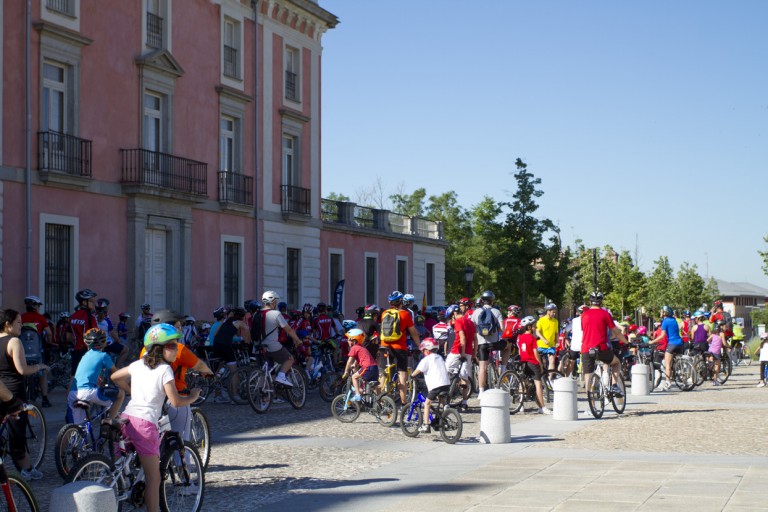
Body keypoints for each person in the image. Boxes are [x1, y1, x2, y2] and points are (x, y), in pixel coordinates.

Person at [111, 323, 201, 512]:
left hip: (127, 418)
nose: (176, 349)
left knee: (128, 464)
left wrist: (132, 392)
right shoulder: (164, 370)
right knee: (155, 478)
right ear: (158, 349)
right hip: (145, 424)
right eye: (171, 346)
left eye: (176, 344)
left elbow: (115, 377)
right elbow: (175, 401)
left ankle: (129, 489)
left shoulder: (137, 364)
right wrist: (193, 396)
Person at [141, 310, 213, 438]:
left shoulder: (145, 350)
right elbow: (199, 365)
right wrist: (208, 372)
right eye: (178, 326)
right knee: (181, 442)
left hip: (150, 401)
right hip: (175, 398)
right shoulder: (178, 348)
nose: (181, 330)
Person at [0, 308, 49, 480]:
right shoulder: (14, 341)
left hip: (0, 389)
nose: (22, 325)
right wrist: (39, 367)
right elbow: (22, 369)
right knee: (17, 433)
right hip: (13, 391)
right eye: (18, 322)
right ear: (7, 324)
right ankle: (27, 469)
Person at [580, 292, 626, 412]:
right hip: (601, 348)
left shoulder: (584, 315)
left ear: (590, 302)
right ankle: (615, 385)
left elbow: (583, 329)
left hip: (586, 349)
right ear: (601, 302)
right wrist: (625, 341)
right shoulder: (605, 314)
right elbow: (616, 331)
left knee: (588, 376)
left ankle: (592, 406)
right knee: (616, 363)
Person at [67, 328, 125, 425]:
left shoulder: (84, 356)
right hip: (89, 392)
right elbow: (116, 373)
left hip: (73, 393)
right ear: (104, 342)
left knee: (79, 426)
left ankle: (76, 436)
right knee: (121, 394)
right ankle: (109, 420)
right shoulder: (104, 356)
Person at [379, 291, 420, 404]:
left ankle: (380, 399)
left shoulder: (384, 313)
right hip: (399, 347)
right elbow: (413, 332)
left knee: (383, 372)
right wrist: (419, 345)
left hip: (384, 346)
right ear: (401, 302)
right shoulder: (405, 314)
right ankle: (403, 402)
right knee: (402, 373)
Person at [262, 291, 304, 387]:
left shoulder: (257, 313)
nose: (276, 303)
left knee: (266, 371)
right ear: (273, 302)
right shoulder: (276, 314)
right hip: (272, 345)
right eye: (275, 301)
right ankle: (281, 376)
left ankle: (267, 396)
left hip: (258, 346)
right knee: (290, 359)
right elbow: (288, 329)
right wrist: (297, 340)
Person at [411, 337, 451, 431]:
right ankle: (446, 409)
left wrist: (411, 376)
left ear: (427, 351)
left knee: (427, 403)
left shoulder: (427, 359)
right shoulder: (440, 357)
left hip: (435, 385)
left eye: (423, 351)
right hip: (446, 384)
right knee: (441, 398)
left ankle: (426, 425)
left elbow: (418, 370)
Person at [21, 295, 54, 407]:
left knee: (21, 372)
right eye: (38, 306)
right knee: (42, 373)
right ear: (34, 307)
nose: (39, 308)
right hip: (37, 351)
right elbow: (49, 333)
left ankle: (21, 397)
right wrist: (49, 342)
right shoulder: (41, 318)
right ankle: (45, 399)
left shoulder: (21, 317)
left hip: (22, 352)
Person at [471, 290, 504, 396]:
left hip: (481, 344)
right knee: (508, 346)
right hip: (493, 343)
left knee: (482, 368)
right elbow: (502, 329)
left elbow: (472, 328)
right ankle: (503, 368)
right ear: (492, 301)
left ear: (482, 300)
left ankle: (481, 392)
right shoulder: (496, 312)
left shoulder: (475, 312)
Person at [517, 315, 551, 414]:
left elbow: (520, 351)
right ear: (529, 327)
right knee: (538, 385)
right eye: (534, 326)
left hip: (524, 362)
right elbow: (535, 352)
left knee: (522, 382)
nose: (535, 328)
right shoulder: (532, 338)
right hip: (532, 362)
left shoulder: (521, 337)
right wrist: (540, 364)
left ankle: (521, 405)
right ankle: (542, 407)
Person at [444, 298, 474, 411]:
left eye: (451, 317)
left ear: (454, 314)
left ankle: (444, 400)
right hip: (469, 352)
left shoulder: (458, 321)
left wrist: (461, 353)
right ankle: (465, 402)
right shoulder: (470, 322)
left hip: (457, 351)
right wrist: (474, 354)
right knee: (464, 376)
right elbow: (475, 339)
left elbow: (462, 338)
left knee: (445, 371)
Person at [650, 306, 684, 391]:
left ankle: (668, 382)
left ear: (665, 313)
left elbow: (662, 335)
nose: (660, 312)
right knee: (675, 360)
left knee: (667, 364)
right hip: (680, 343)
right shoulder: (674, 320)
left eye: (662, 311)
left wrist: (652, 341)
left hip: (672, 343)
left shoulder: (665, 321)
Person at [341, 328, 378, 400]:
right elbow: (361, 358)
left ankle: (358, 395)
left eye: (349, 339)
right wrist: (355, 364)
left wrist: (346, 372)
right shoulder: (361, 347)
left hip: (367, 368)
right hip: (374, 367)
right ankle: (375, 402)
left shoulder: (354, 348)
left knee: (354, 377)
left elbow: (349, 361)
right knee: (368, 386)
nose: (347, 341)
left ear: (354, 340)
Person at [69, 288, 99, 375]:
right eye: (91, 301)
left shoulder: (72, 316)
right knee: (93, 375)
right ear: (84, 302)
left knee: (74, 376)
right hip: (88, 351)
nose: (94, 304)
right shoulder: (90, 317)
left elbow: (68, 336)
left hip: (76, 350)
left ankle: (71, 389)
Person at [535, 303, 559, 371]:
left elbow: (556, 333)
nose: (554, 314)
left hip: (551, 345)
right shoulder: (541, 320)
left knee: (552, 360)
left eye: (555, 312)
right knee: (539, 362)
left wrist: (557, 341)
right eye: (553, 312)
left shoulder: (555, 321)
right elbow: (537, 332)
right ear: (548, 311)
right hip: (541, 345)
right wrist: (544, 340)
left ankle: (549, 379)